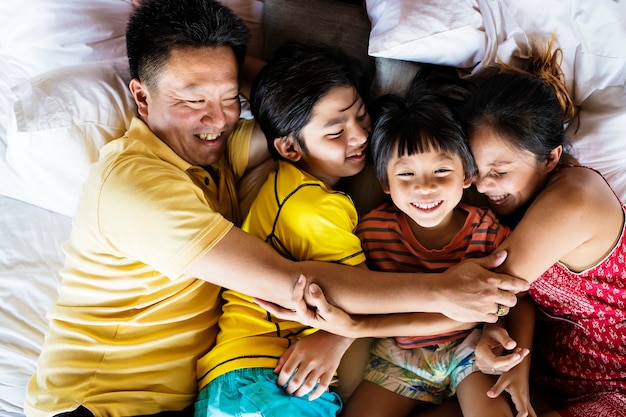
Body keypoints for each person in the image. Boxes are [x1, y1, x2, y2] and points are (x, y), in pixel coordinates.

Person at [24, 1, 530, 416]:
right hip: (98, 407)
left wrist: (207, 52)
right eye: (190, 99)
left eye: (227, 96)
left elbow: (300, 113)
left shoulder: (217, 150)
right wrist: (444, 290)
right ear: (140, 96)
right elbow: (293, 284)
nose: (215, 119)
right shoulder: (134, 186)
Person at [194, 42, 370, 417]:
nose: (360, 136)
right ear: (289, 148)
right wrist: (336, 339)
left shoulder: (288, 182)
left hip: (246, 375)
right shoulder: (313, 206)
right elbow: (366, 293)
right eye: (337, 131)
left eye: (362, 115)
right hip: (274, 375)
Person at [462, 39, 626, 417]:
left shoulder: (575, 199)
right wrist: (517, 361)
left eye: (500, 172)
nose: (483, 187)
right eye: (476, 170)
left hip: (616, 382)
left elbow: (481, 294)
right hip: (543, 374)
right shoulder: (509, 203)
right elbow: (516, 300)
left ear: (551, 157)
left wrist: (348, 327)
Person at [340, 83, 514, 417]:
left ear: (467, 175)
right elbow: (360, 294)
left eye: (441, 170)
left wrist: (497, 330)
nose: (425, 186)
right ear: (386, 184)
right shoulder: (371, 232)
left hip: (470, 351)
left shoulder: (488, 230)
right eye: (406, 173)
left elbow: (517, 293)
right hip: (400, 355)